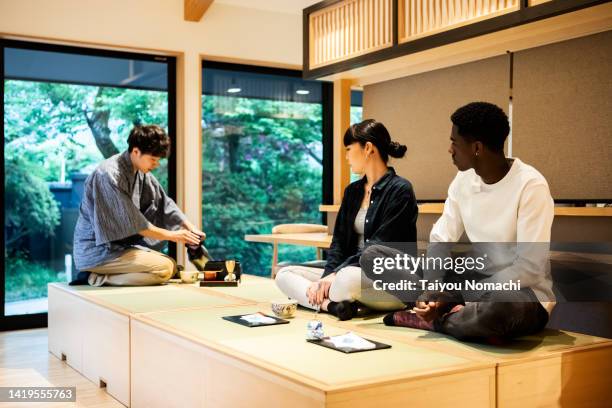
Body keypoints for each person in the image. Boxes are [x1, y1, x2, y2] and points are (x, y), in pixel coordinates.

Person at [361, 102, 554, 342]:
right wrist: (432, 291)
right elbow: (442, 238)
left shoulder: (530, 185)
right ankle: (449, 316)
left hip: (521, 294)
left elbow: (529, 269)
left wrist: (456, 296)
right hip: (471, 280)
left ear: (476, 147)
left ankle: (439, 321)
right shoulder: (463, 180)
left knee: (501, 309)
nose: (450, 150)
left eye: (454, 142)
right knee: (374, 257)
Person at [275, 119, 418, 320]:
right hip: (348, 275)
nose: (346, 157)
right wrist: (326, 277)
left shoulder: (400, 190)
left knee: (346, 279)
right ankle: (332, 307)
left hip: (388, 281)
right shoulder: (353, 192)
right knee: (284, 274)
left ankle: (332, 301)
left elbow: (376, 248)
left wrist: (336, 275)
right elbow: (339, 242)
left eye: (349, 149)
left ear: (368, 148)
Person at [73, 125, 205, 286]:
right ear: (136, 151)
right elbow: (134, 224)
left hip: (119, 249)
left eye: (158, 160)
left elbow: (164, 203)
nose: (156, 164)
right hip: (97, 251)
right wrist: (175, 236)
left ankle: (100, 276)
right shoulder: (108, 174)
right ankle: (96, 278)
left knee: (169, 264)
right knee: (164, 268)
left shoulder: (141, 172)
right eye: (153, 159)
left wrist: (190, 227)